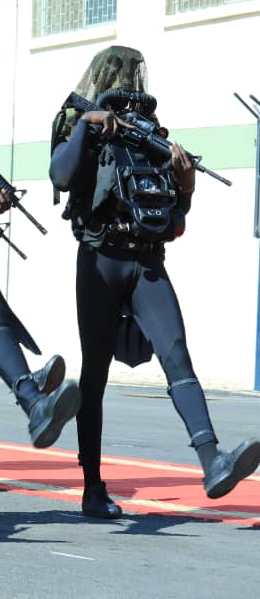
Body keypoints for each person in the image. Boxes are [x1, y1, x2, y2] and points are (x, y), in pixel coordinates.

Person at [49, 45, 260, 517]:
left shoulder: (150, 136)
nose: (131, 82)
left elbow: (171, 222)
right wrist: (87, 125)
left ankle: (213, 462)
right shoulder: (77, 120)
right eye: (122, 74)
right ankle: (92, 487)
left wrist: (185, 189)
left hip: (146, 262)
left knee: (176, 353)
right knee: (96, 374)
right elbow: (61, 176)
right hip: (100, 259)